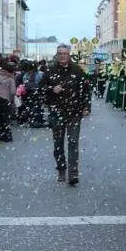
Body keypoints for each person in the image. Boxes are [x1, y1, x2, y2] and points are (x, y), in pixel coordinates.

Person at [40, 44, 92, 186]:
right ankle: (61, 168)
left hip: (74, 112)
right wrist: (51, 89)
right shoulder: (50, 70)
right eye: (60, 53)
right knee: (58, 143)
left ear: (69, 55)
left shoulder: (77, 70)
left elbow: (86, 88)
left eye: (65, 53)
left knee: (73, 142)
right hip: (57, 112)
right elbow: (40, 89)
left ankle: (73, 173)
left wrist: (86, 106)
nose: (62, 55)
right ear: (57, 55)